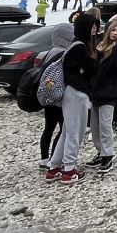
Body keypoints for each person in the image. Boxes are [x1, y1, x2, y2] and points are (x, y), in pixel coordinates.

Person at [45, 16, 100, 185]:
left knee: (68, 131)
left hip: (72, 92)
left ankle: (54, 167)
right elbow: (93, 68)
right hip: (77, 93)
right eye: (92, 26)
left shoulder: (75, 45)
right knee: (76, 132)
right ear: (84, 27)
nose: (95, 30)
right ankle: (69, 170)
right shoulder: (79, 48)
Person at [88, 19, 117, 173]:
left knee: (105, 125)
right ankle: (101, 152)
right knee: (95, 126)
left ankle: (108, 155)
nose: (115, 33)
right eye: (113, 30)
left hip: (109, 92)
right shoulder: (100, 45)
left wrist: (115, 51)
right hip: (96, 91)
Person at [38, 24, 72, 168]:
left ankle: (44, 158)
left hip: (48, 95)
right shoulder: (64, 52)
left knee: (49, 128)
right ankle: (54, 158)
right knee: (63, 128)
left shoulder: (50, 51)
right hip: (57, 96)